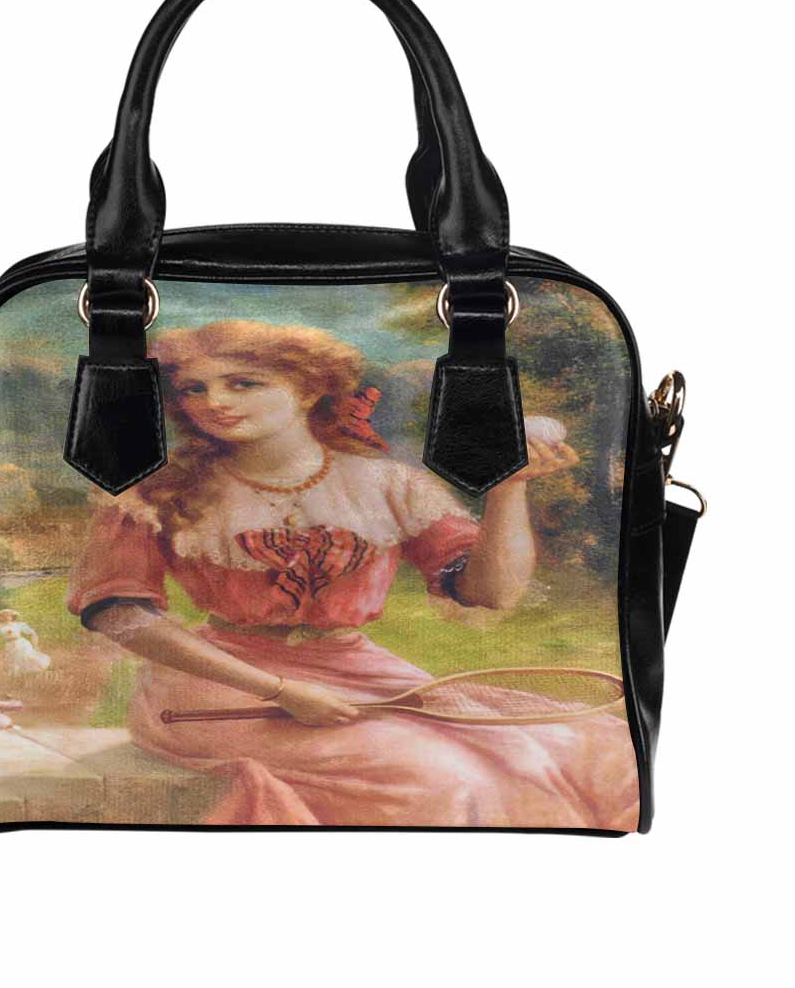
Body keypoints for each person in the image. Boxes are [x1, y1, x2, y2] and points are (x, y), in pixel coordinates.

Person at [68, 320, 638, 829]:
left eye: (243, 383)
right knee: (442, 776)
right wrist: (280, 690)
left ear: (308, 389)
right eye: (195, 389)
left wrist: (508, 488)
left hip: (358, 669)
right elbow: (117, 613)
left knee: (567, 751)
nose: (214, 401)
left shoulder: (386, 485)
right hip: (218, 687)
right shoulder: (157, 491)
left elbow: (492, 593)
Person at [0, 609, 51, 676]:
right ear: (1, 618)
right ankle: (19, 674)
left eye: (8, 615)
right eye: (4, 616)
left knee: (27, 656)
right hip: (9, 644)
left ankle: (38, 670)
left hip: (20, 643)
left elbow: (32, 633)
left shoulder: (18, 624)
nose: (6, 617)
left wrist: (35, 645)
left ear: (12, 617)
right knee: (14, 659)